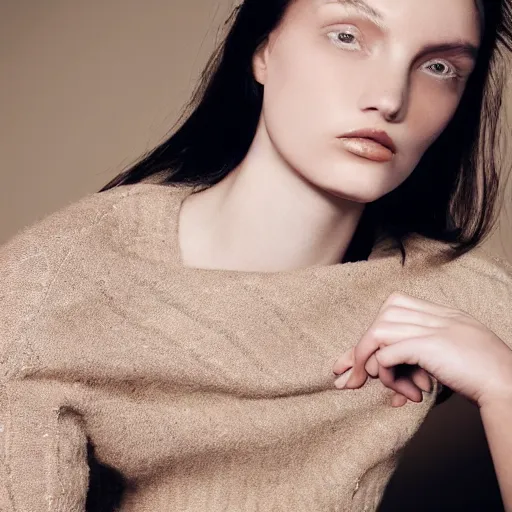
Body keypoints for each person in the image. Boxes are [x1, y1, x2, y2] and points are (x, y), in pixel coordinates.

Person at [1, 0, 512, 511]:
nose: (389, 98)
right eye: (347, 37)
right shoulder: (57, 285)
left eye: (439, 67)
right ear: (263, 48)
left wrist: (503, 386)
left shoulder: (460, 298)